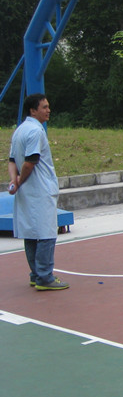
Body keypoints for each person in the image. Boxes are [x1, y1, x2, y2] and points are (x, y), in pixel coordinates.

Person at [7, 94, 69, 291]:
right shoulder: (36, 131)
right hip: (39, 189)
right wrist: (19, 181)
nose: (48, 110)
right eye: (44, 107)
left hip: (27, 191)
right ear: (33, 110)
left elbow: (11, 160)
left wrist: (14, 181)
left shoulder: (19, 130)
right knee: (46, 233)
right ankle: (44, 276)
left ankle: (35, 274)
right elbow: (30, 162)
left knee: (31, 232)